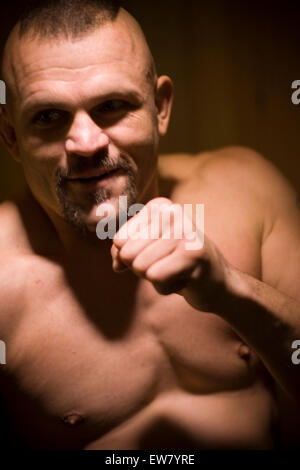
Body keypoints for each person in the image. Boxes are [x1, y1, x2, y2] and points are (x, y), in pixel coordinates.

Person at [0, 0, 299, 450]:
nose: (85, 144)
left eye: (112, 105)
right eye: (48, 117)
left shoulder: (247, 189)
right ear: (12, 138)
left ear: (160, 108)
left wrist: (230, 291)